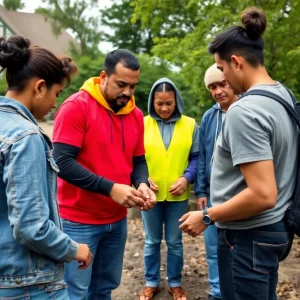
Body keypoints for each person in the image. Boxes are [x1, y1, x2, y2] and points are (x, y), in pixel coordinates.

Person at [179, 7, 297, 300]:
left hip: (247, 236)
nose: (222, 79)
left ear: (236, 62)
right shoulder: (282, 95)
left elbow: (262, 194)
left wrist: (206, 216)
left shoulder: (244, 111)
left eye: (221, 69)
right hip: (274, 230)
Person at [52, 49, 156, 300]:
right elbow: (61, 162)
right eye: (121, 84)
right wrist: (111, 188)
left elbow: (138, 159)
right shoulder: (76, 107)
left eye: (133, 86)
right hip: (78, 221)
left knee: (104, 288)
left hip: (116, 220)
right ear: (103, 77)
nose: (128, 93)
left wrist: (141, 183)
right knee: (75, 292)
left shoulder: (135, 115)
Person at [0, 35, 92, 299]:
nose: (55, 103)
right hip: (30, 284)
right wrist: (74, 249)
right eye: (56, 93)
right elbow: (31, 227)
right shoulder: (25, 137)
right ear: (39, 87)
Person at [138, 78, 199, 300]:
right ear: (152, 102)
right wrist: (142, 179)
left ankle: (175, 283)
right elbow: (134, 158)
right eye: (159, 103)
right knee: (152, 240)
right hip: (149, 196)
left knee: (174, 241)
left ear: (177, 102)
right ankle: (151, 282)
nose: (164, 108)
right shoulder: (141, 123)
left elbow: (195, 158)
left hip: (178, 196)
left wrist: (187, 178)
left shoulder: (191, 125)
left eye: (169, 103)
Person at [194, 64, 237, 300]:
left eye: (222, 84)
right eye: (212, 87)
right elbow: (202, 156)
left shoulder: (245, 111)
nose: (218, 90)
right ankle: (217, 291)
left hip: (239, 195)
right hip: (211, 194)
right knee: (213, 249)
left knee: (238, 249)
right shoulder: (209, 116)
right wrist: (200, 189)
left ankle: (236, 291)